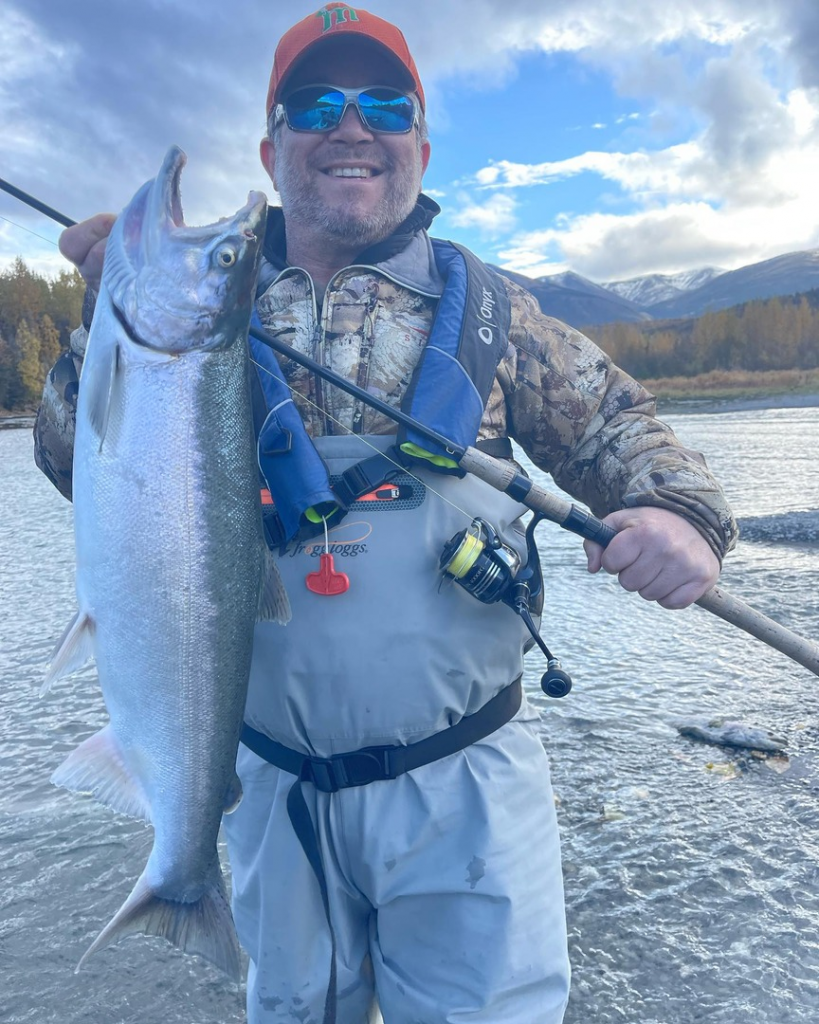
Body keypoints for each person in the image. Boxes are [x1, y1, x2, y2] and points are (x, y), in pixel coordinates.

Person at [34, 5, 737, 1022]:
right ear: (274, 150)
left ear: (420, 143)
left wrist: (682, 518)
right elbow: (73, 463)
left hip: (464, 797)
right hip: (272, 795)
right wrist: (103, 322)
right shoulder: (197, 303)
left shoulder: (501, 318)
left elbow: (631, 433)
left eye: (384, 105)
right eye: (318, 104)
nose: (351, 126)